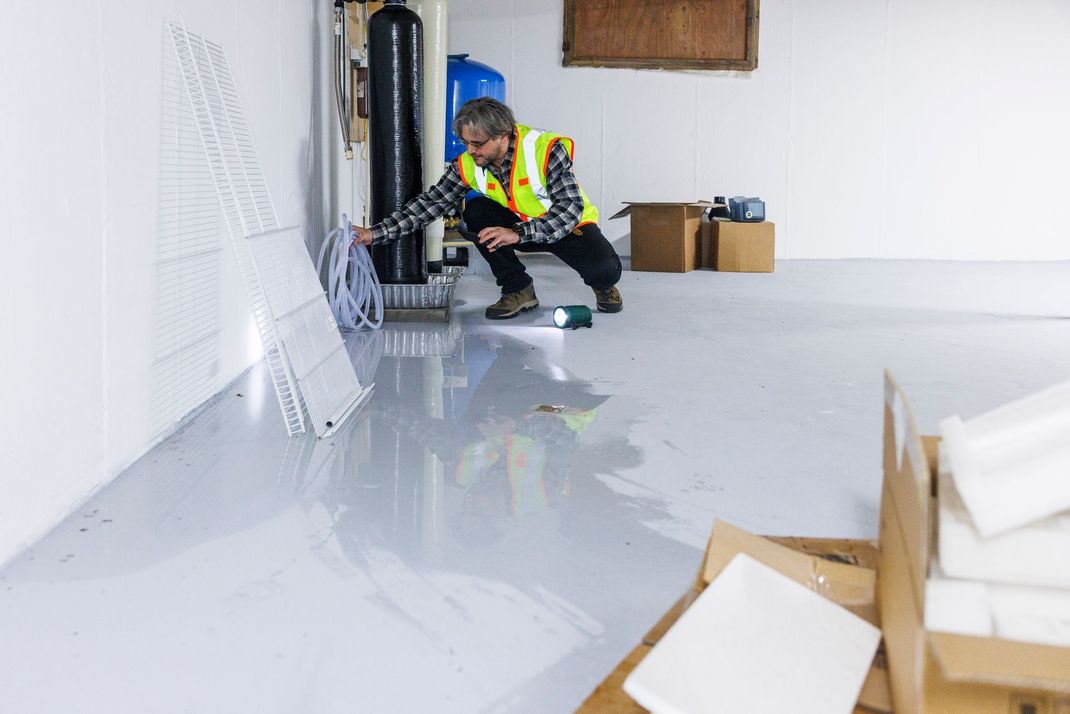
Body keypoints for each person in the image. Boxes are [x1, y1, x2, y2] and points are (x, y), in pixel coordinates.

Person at [352, 97, 623, 320]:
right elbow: (430, 204)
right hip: (515, 228)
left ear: (502, 135)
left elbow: (570, 208)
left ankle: (603, 286)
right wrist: (374, 234)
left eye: (477, 143)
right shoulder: (468, 163)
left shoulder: (545, 150)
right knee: (476, 212)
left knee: (605, 269)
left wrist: (518, 233)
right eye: (465, 142)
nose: (470, 150)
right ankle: (518, 290)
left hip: (565, 228)